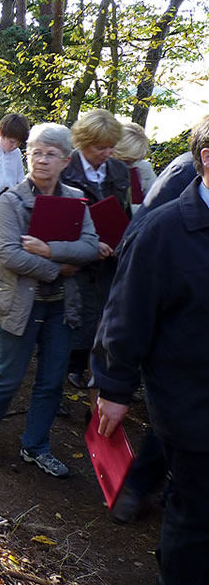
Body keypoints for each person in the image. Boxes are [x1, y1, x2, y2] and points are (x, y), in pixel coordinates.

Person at [92, 118, 209, 584]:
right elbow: (126, 314)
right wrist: (115, 387)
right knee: (197, 517)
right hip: (190, 406)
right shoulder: (164, 232)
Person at [0, 123, 99, 477]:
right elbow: (9, 256)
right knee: (9, 375)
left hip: (60, 307)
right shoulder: (12, 200)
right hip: (18, 303)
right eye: (36, 152)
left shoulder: (74, 200)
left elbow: (89, 247)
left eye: (50, 154)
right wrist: (60, 267)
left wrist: (48, 249)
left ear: (65, 161)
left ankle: (35, 445)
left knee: (52, 380)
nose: (41, 160)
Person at [59, 108, 130, 389]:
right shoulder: (67, 169)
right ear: (84, 143)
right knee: (73, 317)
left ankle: (86, 369)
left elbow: (123, 212)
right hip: (75, 259)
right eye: (101, 147)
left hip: (109, 258)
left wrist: (120, 242)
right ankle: (65, 372)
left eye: (112, 146)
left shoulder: (119, 169)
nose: (107, 153)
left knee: (102, 317)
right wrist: (89, 245)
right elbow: (60, 219)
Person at [0, 113, 30, 274]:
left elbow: (19, 181)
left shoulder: (16, 153)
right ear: (0, 134)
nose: (14, 146)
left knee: (3, 252)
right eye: (11, 141)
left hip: (8, 206)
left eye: (18, 143)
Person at [113, 122, 157, 213]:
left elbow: (156, 202)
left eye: (134, 160)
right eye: (126, 161)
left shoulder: (144, 168)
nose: (130, 165)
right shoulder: (100, 168)